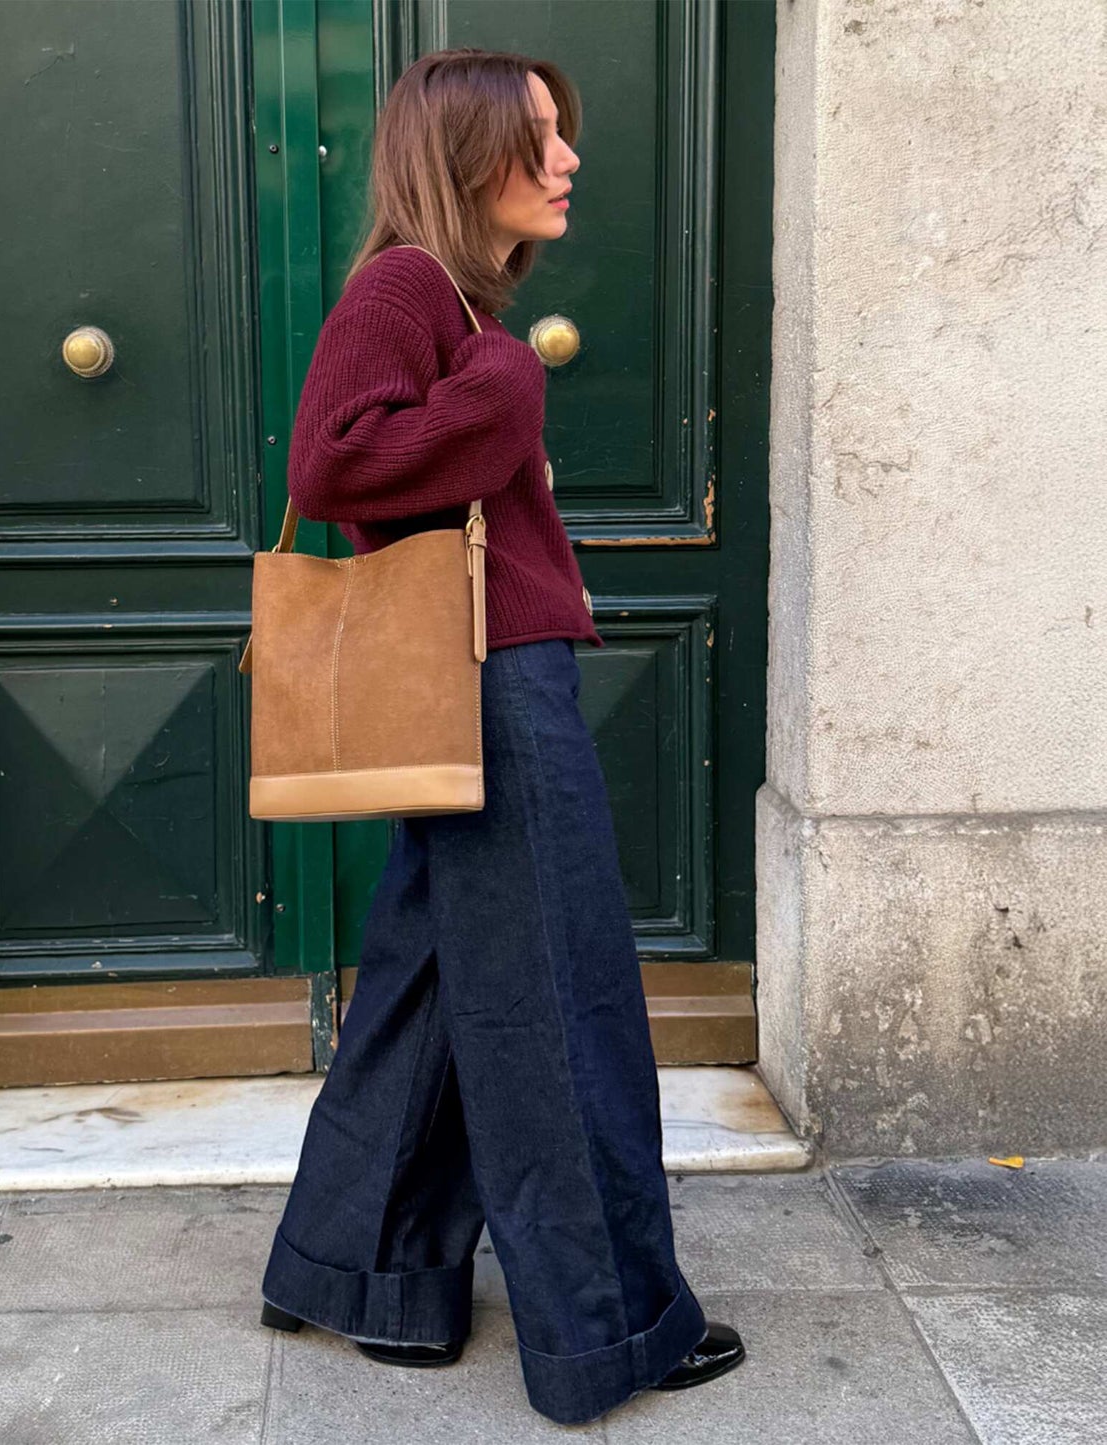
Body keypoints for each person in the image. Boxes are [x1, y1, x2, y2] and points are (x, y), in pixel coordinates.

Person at [255, 47, 745, 1428]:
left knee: (427, 984)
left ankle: (358, 1265)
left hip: (484, 669)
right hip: (482, 675)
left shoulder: (446, 297)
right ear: (466, 155)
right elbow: (331, 462)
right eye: (541, 136)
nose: (571, 156)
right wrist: (504, 389)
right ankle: (609, 1328)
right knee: (555, 997)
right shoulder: (407, 288)